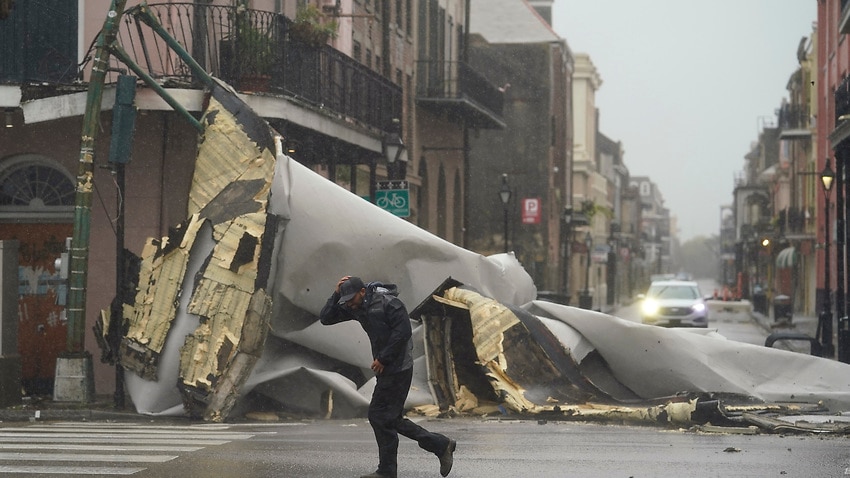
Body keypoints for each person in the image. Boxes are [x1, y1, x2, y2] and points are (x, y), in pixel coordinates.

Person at [319, 275, 456, 478]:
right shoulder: (355, 306)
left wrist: (383, 358)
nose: (348, 303)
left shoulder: (389, 303)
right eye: (345, 299)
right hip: (385, 369)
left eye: (351, 298)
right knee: (387, 418)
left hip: (399, 368)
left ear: (363, 292)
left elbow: (403, 333)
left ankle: (434, 447)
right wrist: (336, 293)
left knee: (381, 416)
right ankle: (430, 449)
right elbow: (326, 318)